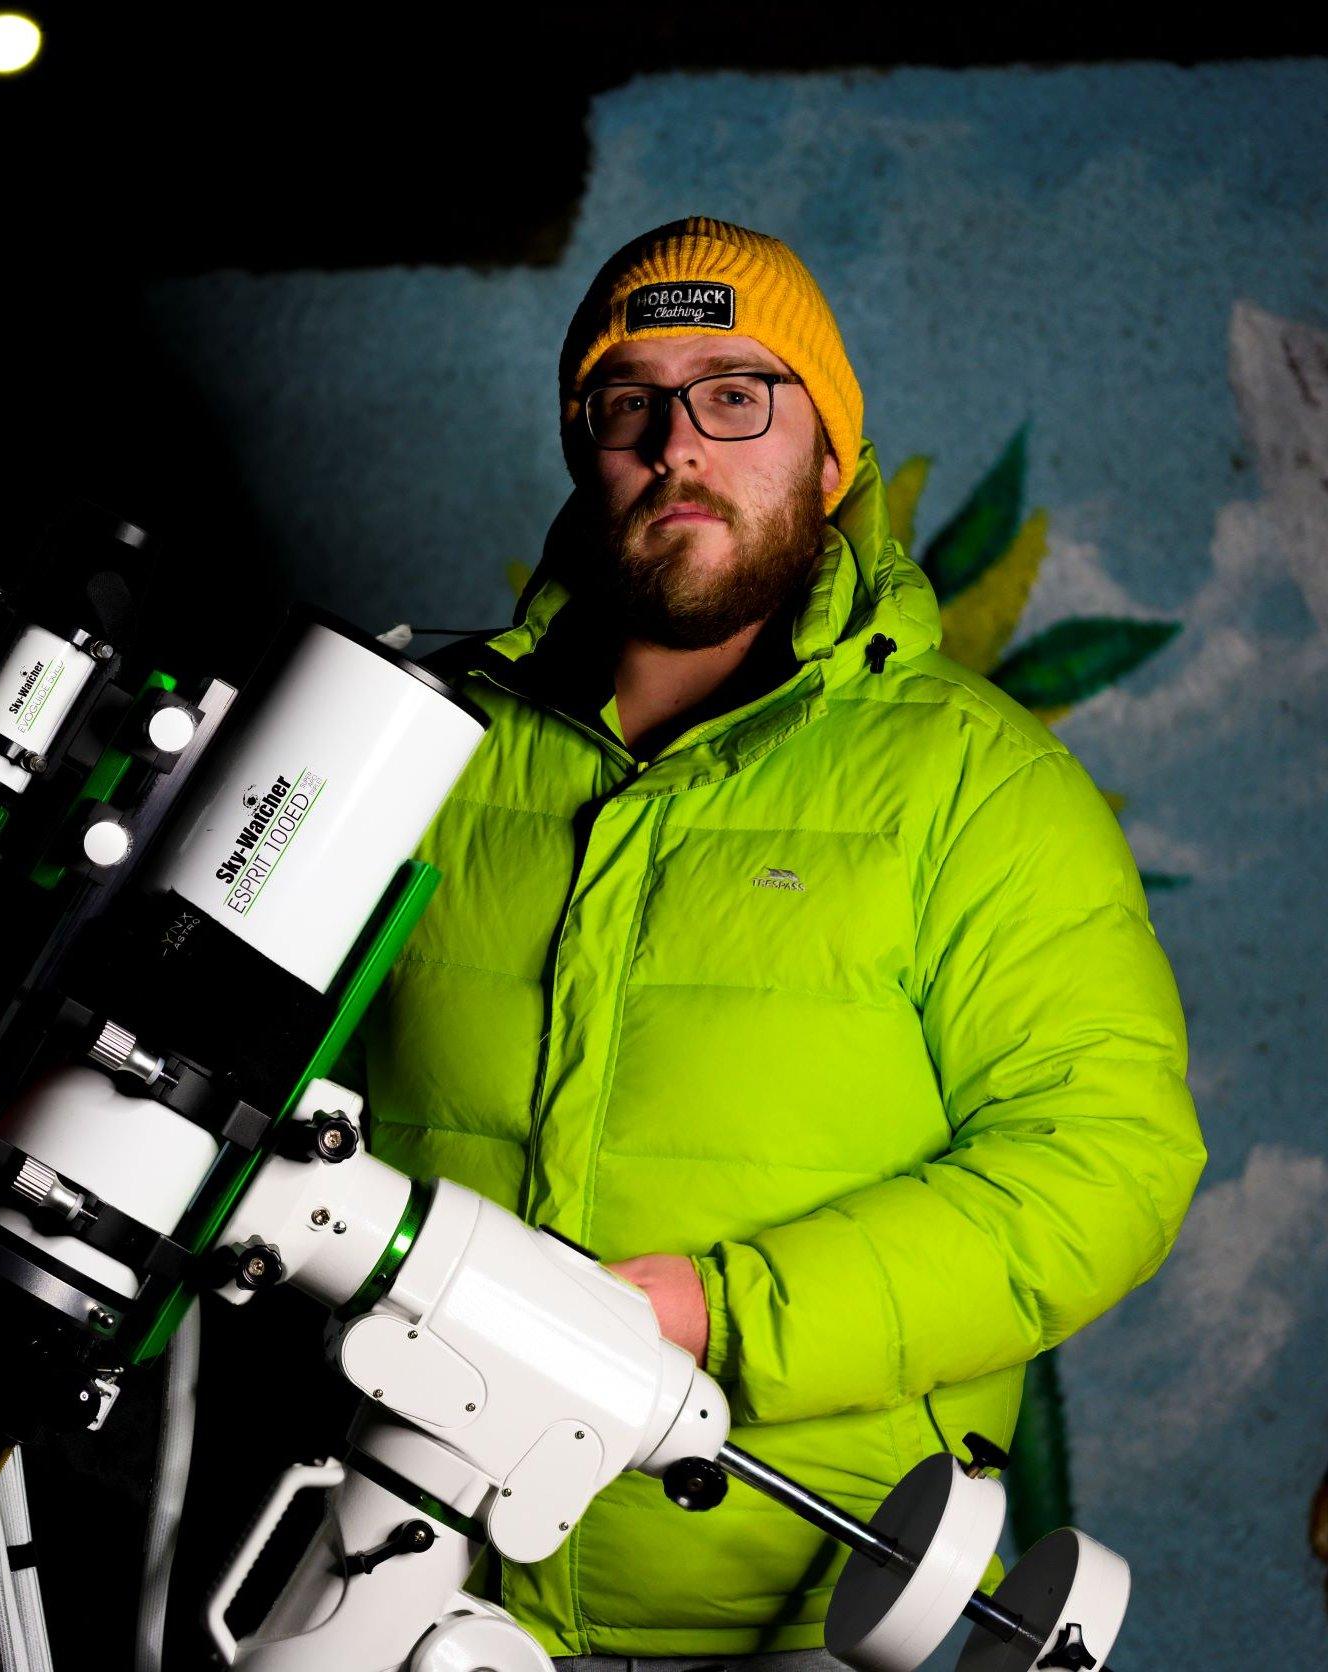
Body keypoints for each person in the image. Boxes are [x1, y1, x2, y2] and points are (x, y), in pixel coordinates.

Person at [349, 215, 1206, 1668]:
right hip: (402, 1591)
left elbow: (1105, 1165)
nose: (679, 442)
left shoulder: (977, 789)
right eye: (630, 402)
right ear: (585, 449)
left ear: (830, 457)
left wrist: (710, 1310)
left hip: (796, 1622)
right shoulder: (416, 752)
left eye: (737, 393)